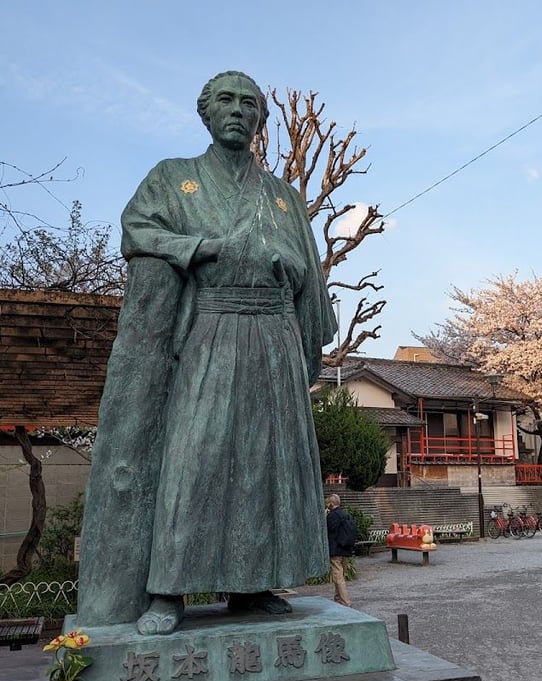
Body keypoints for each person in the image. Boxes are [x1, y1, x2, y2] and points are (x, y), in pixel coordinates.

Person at [76, 71, 337, 635]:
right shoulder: (174, 179)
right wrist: (199, 248)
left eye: (249, 104)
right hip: (211, 329)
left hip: (274, 334)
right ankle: (167, 589)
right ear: (205, 112)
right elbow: (135, 231)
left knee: (267, 462)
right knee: (195, 458)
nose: (237, 111)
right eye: (226, 101)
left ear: (262, 120)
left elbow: (311, 282)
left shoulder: (285, 199)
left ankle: (253, 585)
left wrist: (306, 347)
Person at [325, 494, 354, 607]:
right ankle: (338, 598)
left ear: (331, 504)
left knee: (338, 576)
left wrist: (325, 515)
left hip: (336, 549)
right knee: (341, 575)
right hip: (346, 549)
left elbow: (326, 529)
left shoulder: (332, 516)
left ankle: (346, 601)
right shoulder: (346, 514)